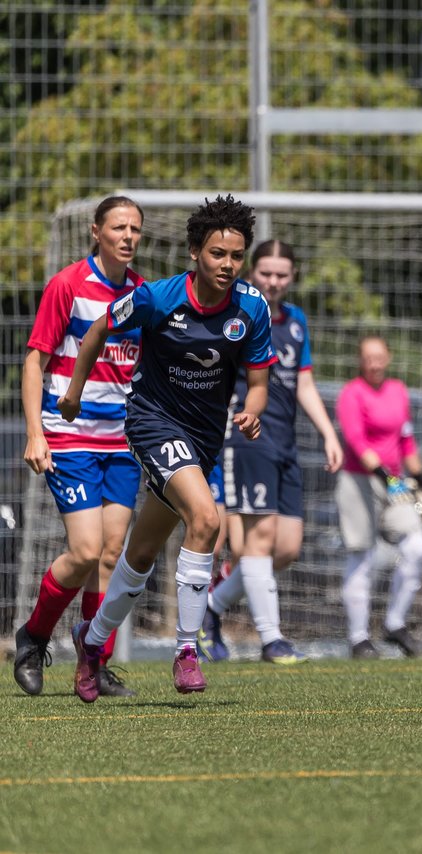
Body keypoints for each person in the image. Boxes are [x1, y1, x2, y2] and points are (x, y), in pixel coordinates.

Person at [58, 194, 275, 703]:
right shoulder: (159, 297)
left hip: (201, 439)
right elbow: (96, 331)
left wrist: (254, 409)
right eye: (218, 254)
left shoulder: (252, 308)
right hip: (151, 423)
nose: (228, 265)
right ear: (196, 252)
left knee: (141, 551)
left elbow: (259, 381)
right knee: (206, 519)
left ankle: (90, 644)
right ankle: (187, 650)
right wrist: (74, 392)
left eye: (236, 256)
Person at [12, 195, 146, 699]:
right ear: (96, 232)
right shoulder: (67, 285)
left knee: (111, 553)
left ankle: (94, 664)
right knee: (86, 550)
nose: (128, 236)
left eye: (135, 228)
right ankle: (34, 636)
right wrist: (35, 432)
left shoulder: (142, 293)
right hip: (69, 436)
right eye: (118, 227)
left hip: (121, 441)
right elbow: (33, 362)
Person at [198, 239, 343, 664]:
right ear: (250, 272)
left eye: (281, 274)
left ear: (292, 277)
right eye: (266, 273)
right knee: (257, 542)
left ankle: (213, 605)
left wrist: (329, 434)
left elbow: (304, 383)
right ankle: (272, 639)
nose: (273, 281)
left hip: (285, 443)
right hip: (247, 438)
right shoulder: (236, 314)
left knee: (287, 549)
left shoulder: (296, 322)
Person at [335, 334, 422, 659]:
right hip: (359, 480)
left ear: (388, 357)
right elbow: (357, 442)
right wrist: (386, 475)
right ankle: (359, 638)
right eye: (367, 357)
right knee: (361, 556)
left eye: (379, 356)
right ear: (360, 361)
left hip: (394, 482)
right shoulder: (352, 394)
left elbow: (406, 440)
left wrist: (419, 478)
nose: (374, 363)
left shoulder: (398, 391)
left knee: (417, 546)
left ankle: (394, 623)